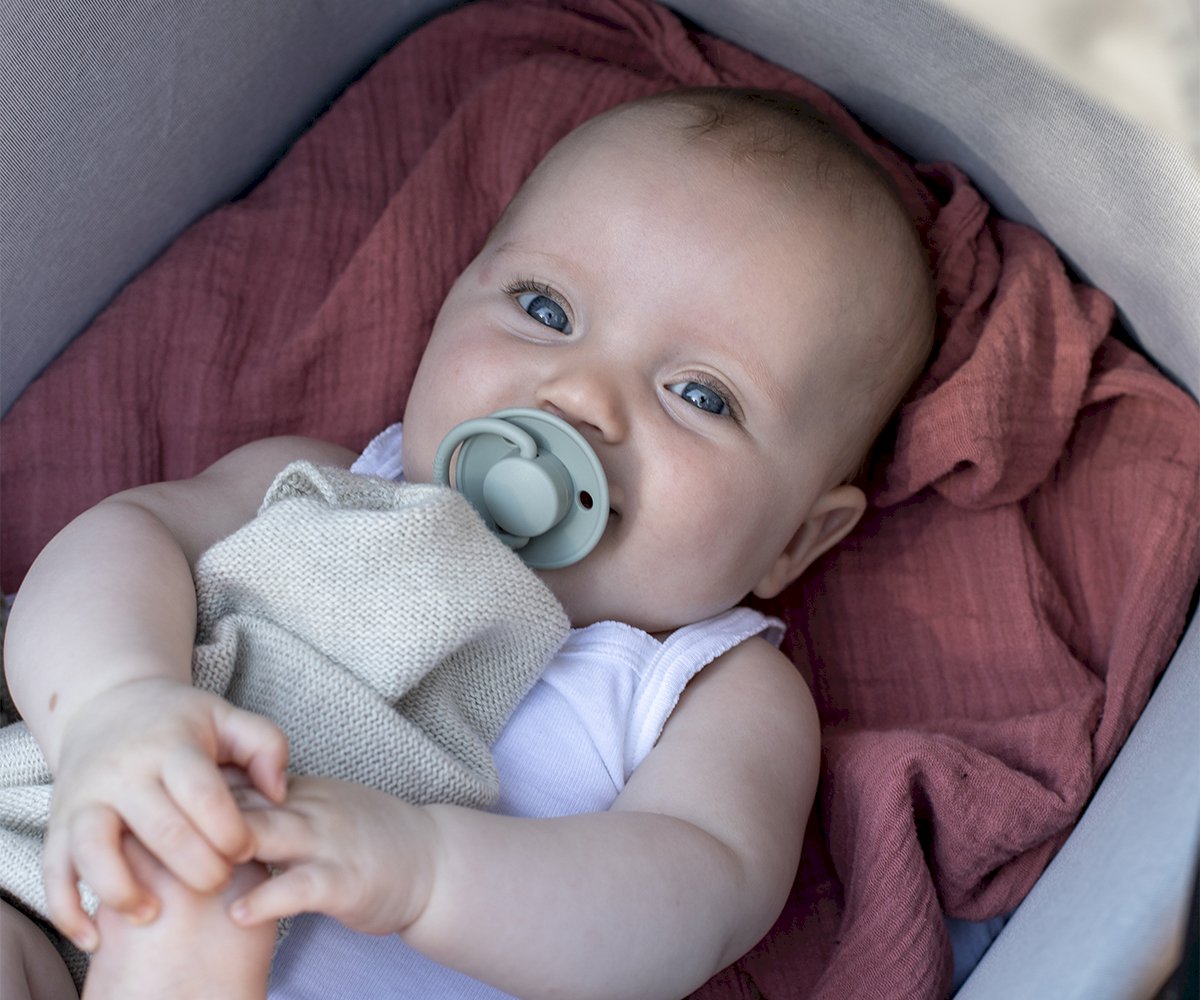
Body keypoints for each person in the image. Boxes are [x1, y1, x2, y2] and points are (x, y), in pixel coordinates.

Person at [0, 86, 934, 1000]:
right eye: (544, 309)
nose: (581, 396)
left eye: (700, 395)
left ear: (796, 539)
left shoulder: (706, 692)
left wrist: (428, 871)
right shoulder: (318, 484)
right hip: (53, 892)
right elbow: (118, 542)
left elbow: (693, 903)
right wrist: (114, 702)